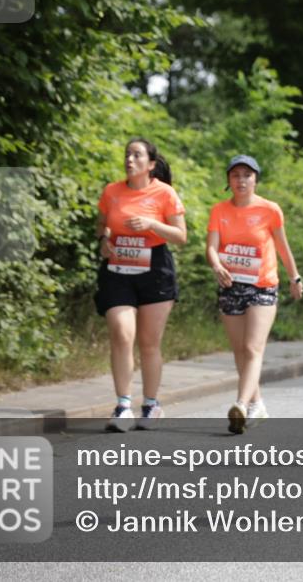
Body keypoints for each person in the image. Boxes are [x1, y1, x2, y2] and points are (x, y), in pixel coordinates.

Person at [95, 139, 187, 432]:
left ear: (150, 164)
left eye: (137, 155)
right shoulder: (112, 191)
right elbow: (101, 226)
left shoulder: (164, 193)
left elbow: (180, 236)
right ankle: (123, 405)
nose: (129, 159)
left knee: (149, 342)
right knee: (122, 333)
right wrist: (104, 241)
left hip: (155, 269)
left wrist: (151, 224)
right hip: (118, 268)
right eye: (127, 154)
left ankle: (151, 404)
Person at [207, 155, 303, 435]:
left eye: (247, 175)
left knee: (252, 348)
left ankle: (240, 403)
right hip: (230, 285)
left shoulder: (270, 210)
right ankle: (257, 404)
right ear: (229, 181)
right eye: (235, 175)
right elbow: (212, 246)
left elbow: (283, 247)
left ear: (255, 179)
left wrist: (294, 277)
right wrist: (216, 264)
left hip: (263, 285)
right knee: (240, 351)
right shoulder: (219, 210)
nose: (241, 180)